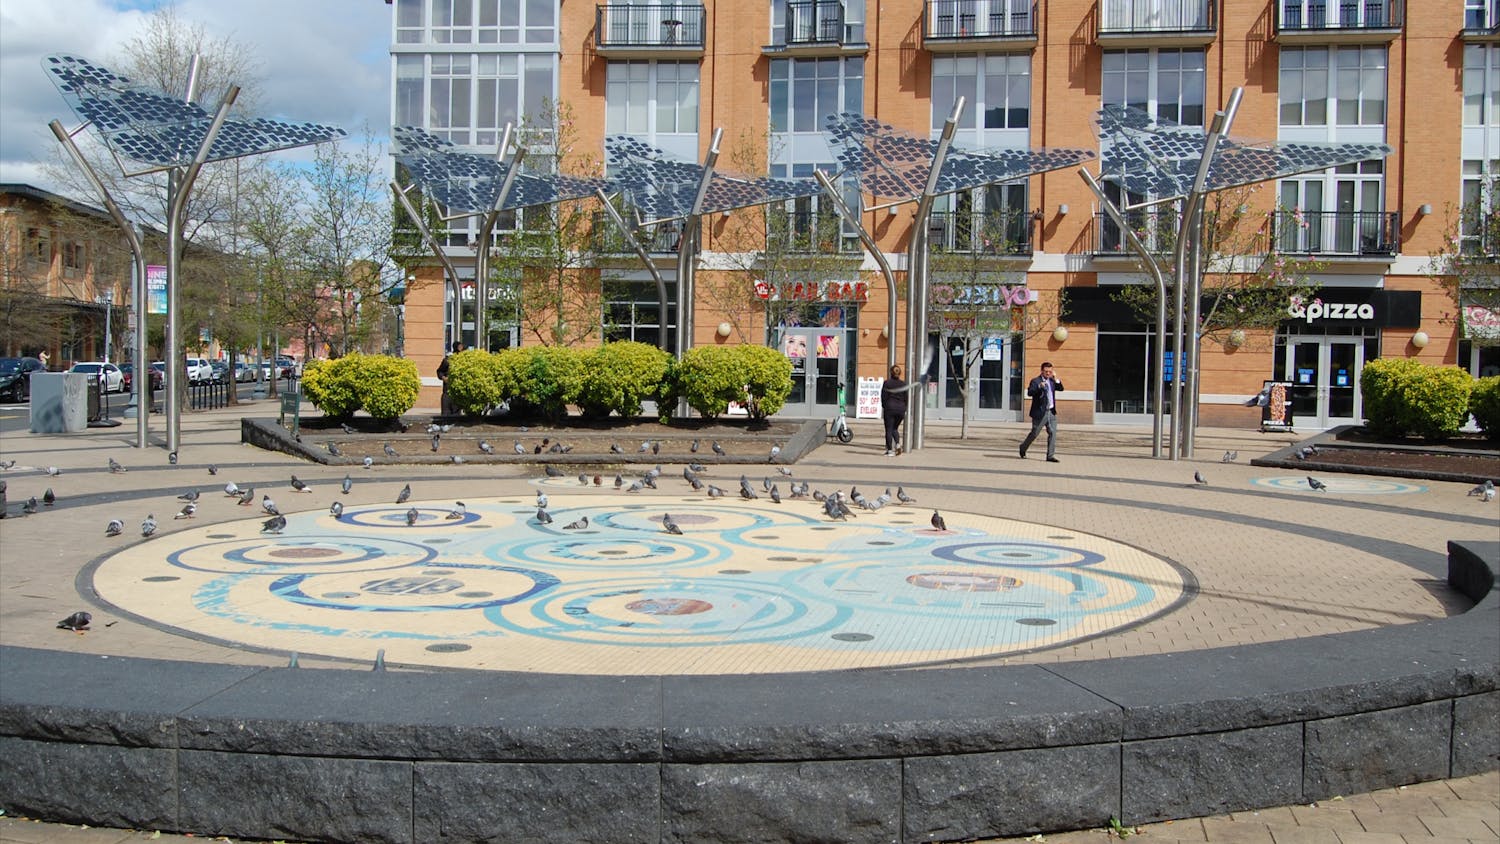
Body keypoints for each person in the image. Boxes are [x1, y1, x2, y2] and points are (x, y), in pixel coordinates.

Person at [1019, 361, 1063, 463]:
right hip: (1040, 412)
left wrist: (1056, 379)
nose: (1048, 373)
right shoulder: (1035, 381)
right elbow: (1030, 392)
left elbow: (1061, 388)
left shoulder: (1052, 381)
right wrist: (1039, 387)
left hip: (1051, 411)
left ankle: (1050, 456)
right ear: (1042, 371)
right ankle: (1023, 447)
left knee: (1053, 433)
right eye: (1046, 371)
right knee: (1035, 433)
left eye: (1050, 371)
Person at [880, 364, 908, 457]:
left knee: (889, 429)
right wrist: (904, 408)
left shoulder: (887, 383)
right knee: (894, 428)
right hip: (901, 409)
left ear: (890, 373)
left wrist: (884, 406)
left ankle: (890, 450)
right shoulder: (903, 384)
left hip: (890, 408)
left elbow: (883, 396)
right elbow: (906, 398)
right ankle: (898, 444)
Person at [437, 341, 462, 415]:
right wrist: (443, 378)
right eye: (459, 347)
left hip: (458, 392)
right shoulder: (448, 360)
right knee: (446, 414)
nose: (461, 348)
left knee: (456, 414)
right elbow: (439, 371)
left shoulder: (463, 360)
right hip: (447, 391)